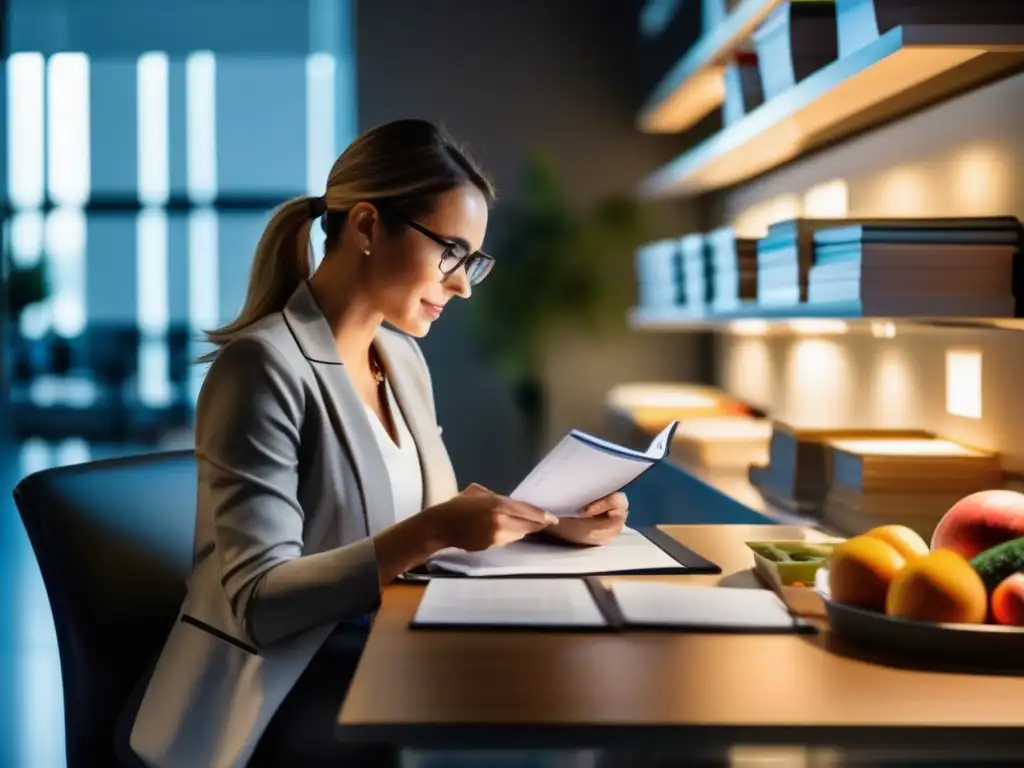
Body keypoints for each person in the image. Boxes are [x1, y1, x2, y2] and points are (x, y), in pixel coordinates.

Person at [118, 119, 629, 768]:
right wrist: (436, 530)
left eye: (472, 260)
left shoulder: (402, 359)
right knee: (538, 736)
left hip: (380, 647)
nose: (463, 284)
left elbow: (434, 525)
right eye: (451, 252)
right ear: (365, 226)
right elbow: (259, 603)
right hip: (275, 688)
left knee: (563, 697)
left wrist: (553, 522)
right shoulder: (260, 368)